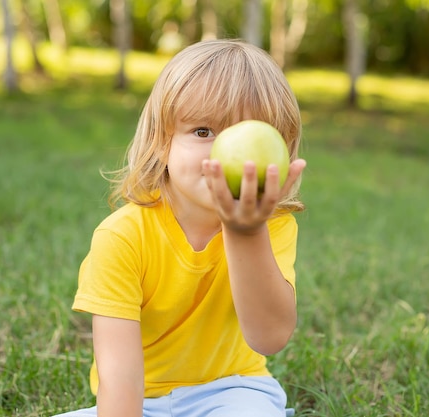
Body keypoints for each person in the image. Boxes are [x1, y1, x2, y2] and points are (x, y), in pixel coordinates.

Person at [55, 39, 306, 417]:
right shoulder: (122, 237)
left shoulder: (272, 227)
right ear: (161, 143)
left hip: (233, 392)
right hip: (139, 401)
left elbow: (269, 338)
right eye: (203, 131)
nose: (225, 152)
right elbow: (119, 377)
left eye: (248, 134)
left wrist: (245, 233)